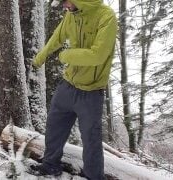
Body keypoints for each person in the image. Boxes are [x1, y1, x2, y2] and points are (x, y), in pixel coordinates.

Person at [32, 0, 117, 179]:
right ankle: (50, 166)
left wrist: (66, 55)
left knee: (91, 140)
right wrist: (40, 57)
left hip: (91, 92)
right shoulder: (72, 15)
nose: (64, 6)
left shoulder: (106, 16)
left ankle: (93, 176)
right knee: (54, 127)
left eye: (65, 1)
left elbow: (98, 55)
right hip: (68, 85)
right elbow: (57, 37)